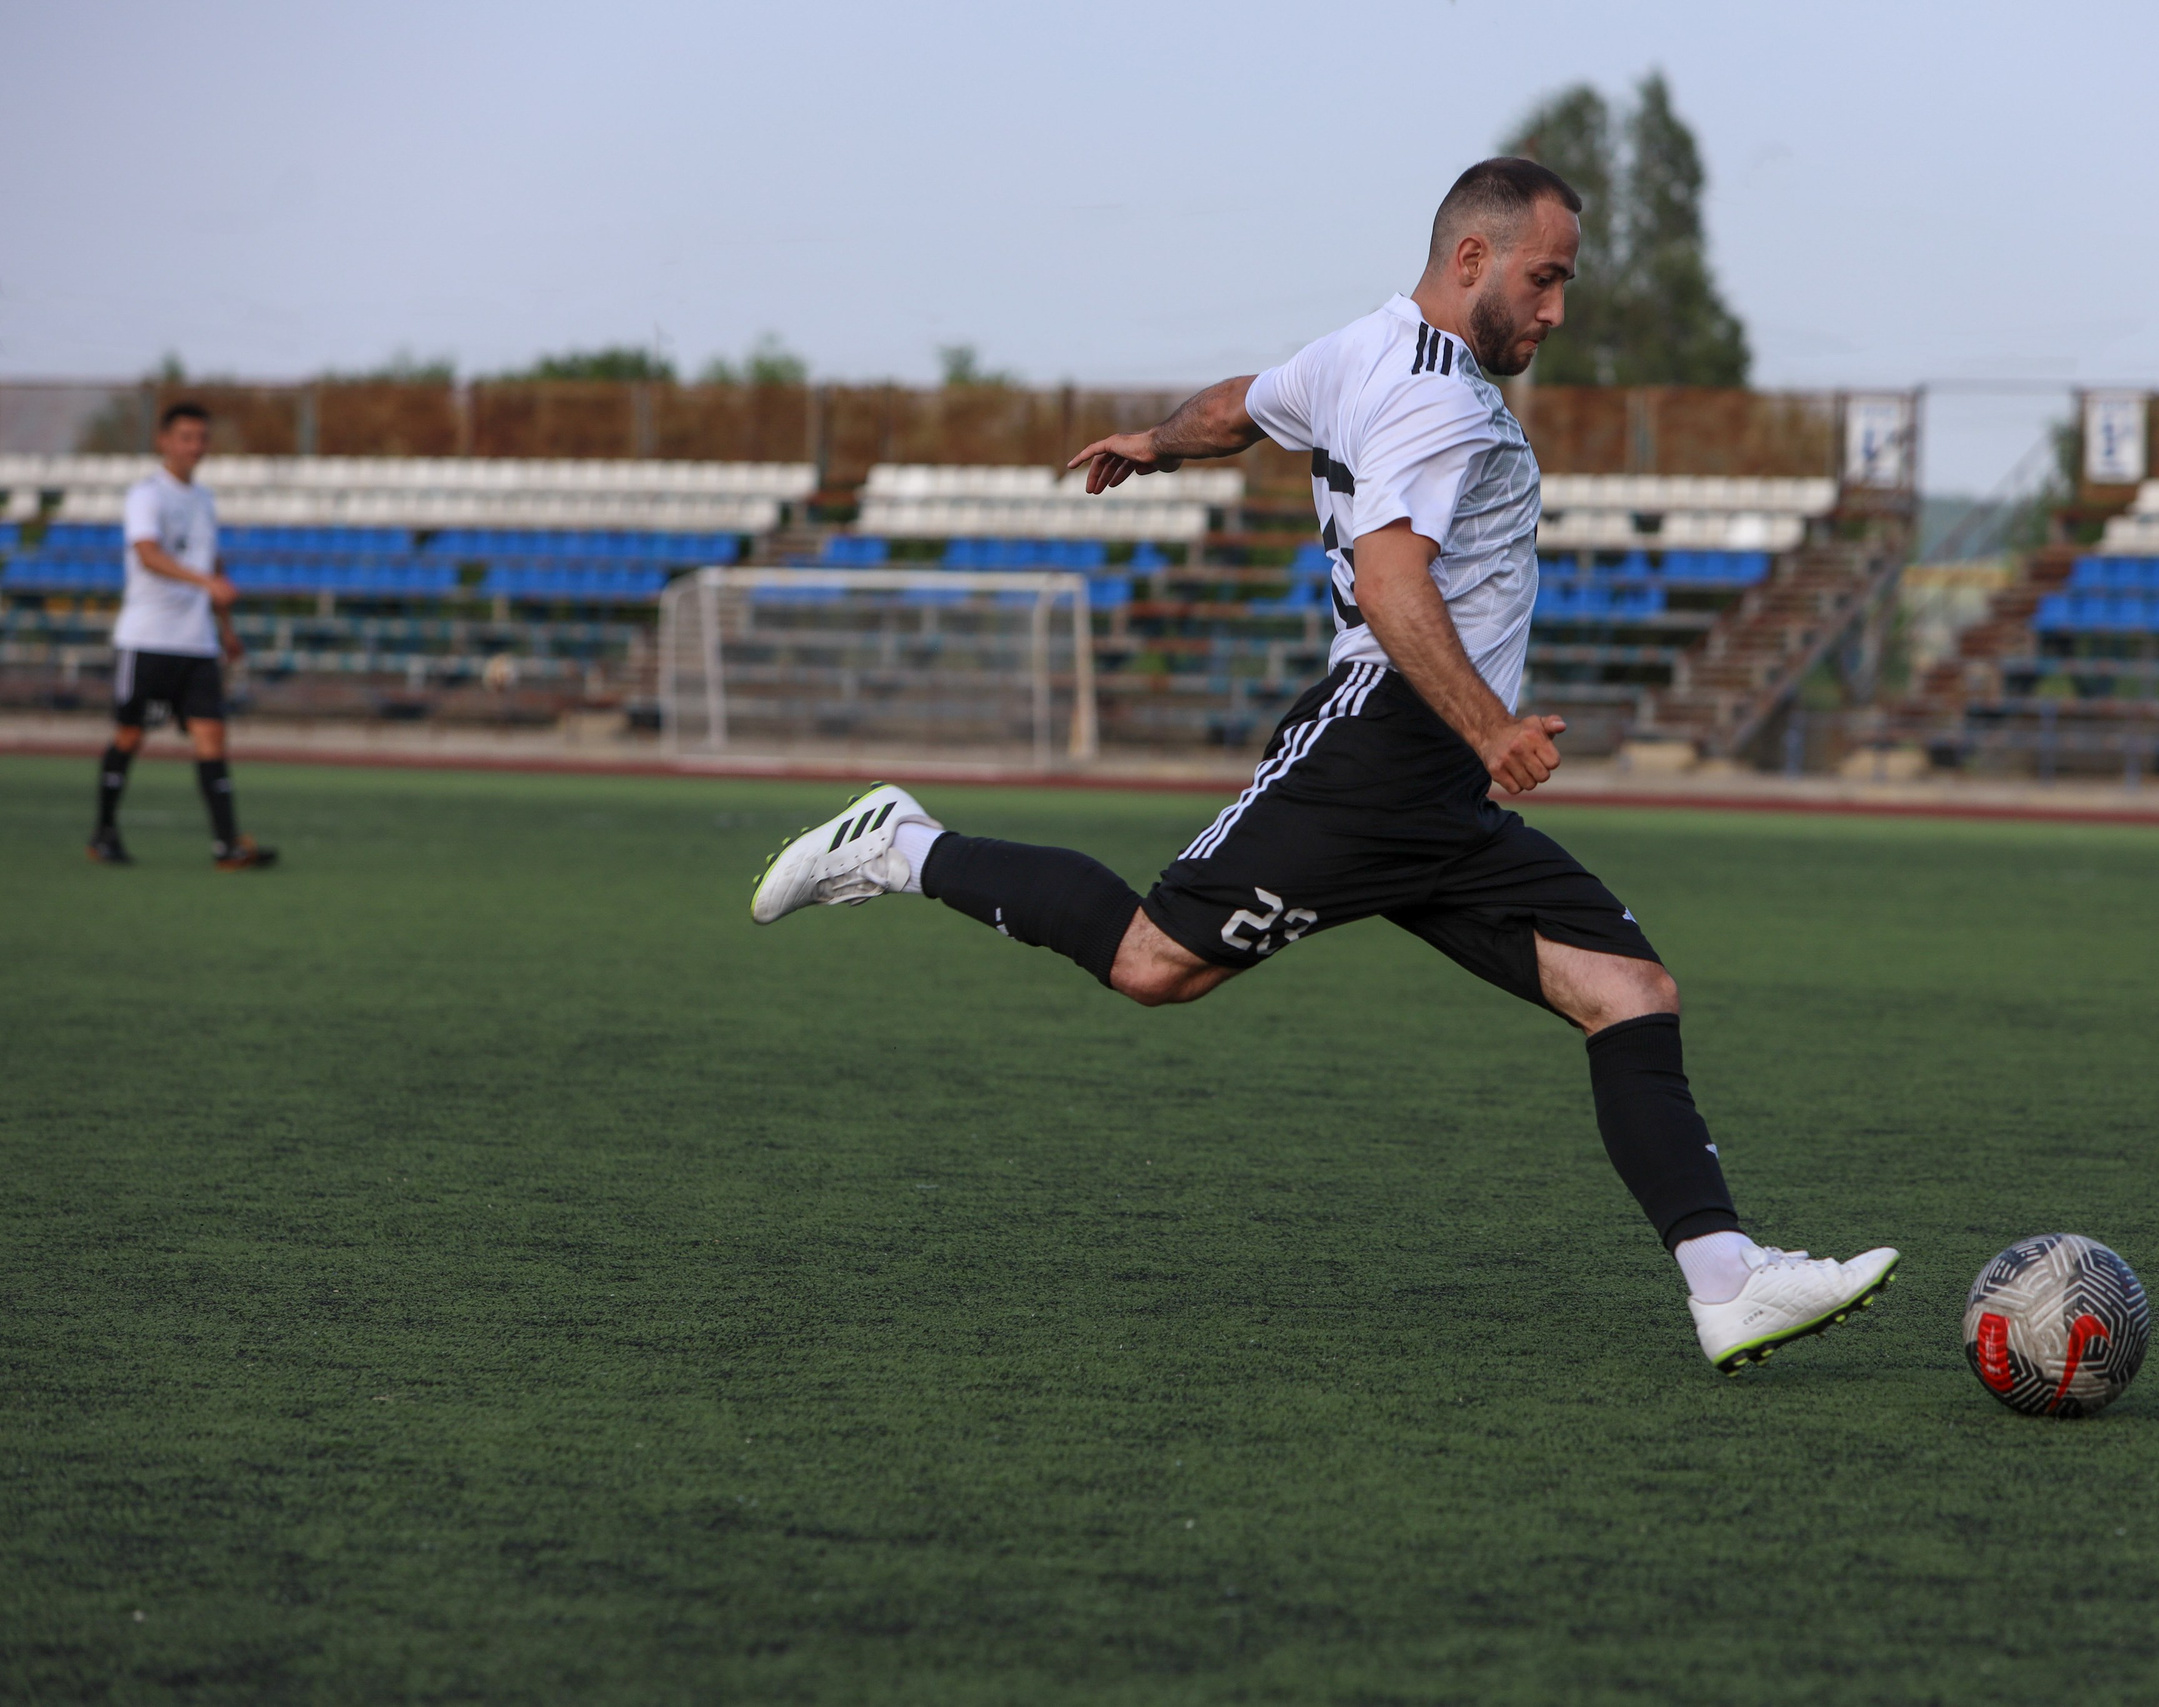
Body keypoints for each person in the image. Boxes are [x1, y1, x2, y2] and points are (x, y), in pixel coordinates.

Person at [750, 159, 1893, 1373]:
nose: (1555, 311)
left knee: (1628, 993)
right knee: (1151, 965)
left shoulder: (1363, 349)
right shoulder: (1436, 402)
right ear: (1473, 260)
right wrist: (1490, 728)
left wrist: (1154, 441)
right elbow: (1397, 585)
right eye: (1545, 279)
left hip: (1431, 782)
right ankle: (901, 844)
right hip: (1386, 746)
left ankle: (1725, 1285)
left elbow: (1244, 403)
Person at [88, 401, 278, 869]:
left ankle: (227, 844)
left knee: (212, 736)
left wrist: (225, 627)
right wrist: (203, 583)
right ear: (164, 441)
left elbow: (212, 563)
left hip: (196, 641)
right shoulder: (147, 495)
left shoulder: (204, 500)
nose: (195, 446)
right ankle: (104, 833)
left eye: (202, 438)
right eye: (187, 437)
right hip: (148, 639)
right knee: (131, 735)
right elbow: (147, 554)